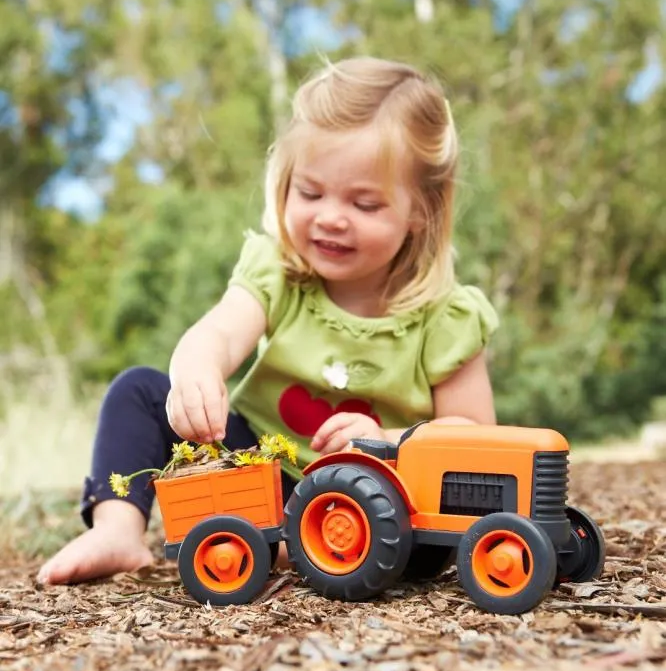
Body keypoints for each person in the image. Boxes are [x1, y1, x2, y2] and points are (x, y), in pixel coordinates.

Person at [37, 57, 498, 586]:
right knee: (138, 390)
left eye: (365, 203)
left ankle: (302, 543)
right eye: (310, 192)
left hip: (381, 502)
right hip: (258, 470)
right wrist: (197, 371)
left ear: (422, 209)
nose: (330, 217)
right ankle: (118, 529)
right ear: (285, 183)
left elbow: (476, 439)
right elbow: (219, 333)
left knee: (419, 527)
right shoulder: (280, 273)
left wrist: (386, 440)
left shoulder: (445, 317)